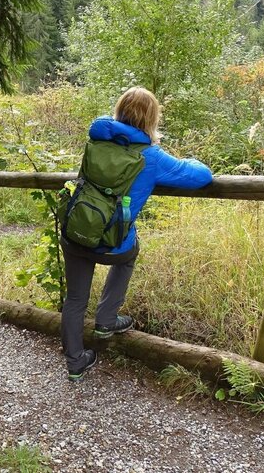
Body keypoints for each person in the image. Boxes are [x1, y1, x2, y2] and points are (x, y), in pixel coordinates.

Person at [62, 87, 213, 381]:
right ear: (151, 119)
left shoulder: (95, 142)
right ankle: (106, 320)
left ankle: (75, 362)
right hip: (113, 243)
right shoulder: (152, 157)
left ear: (118, 111)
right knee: (128, 254)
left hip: (77, 230)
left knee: (75, 299)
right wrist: (194, 158)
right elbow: (200, 176)